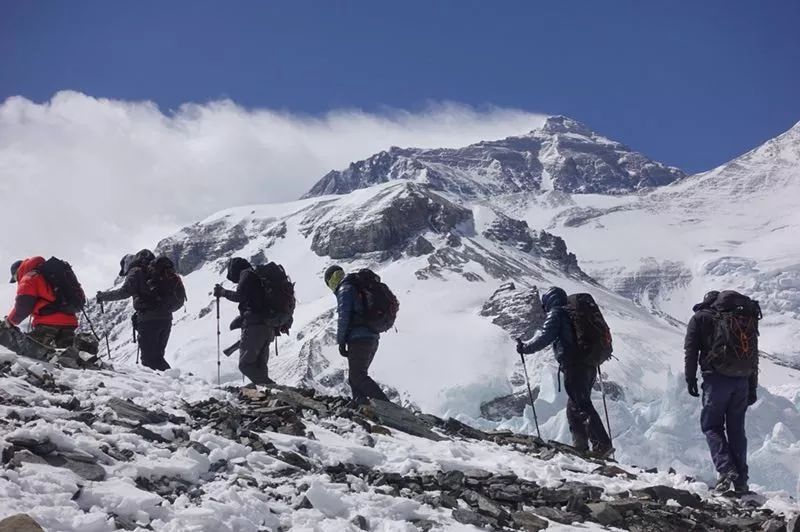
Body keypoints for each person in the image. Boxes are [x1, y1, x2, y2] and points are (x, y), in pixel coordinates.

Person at [517, 286, 613, 458]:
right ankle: (580, 445)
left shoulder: (557, 313)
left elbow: (546, 336)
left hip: (575, 364)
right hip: (589, 364)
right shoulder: (572, 313)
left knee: (581, 404)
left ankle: (602, 445)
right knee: (574, 406)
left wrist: (525, 348)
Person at [685, 290, 758, 493]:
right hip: (742, 381)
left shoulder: (700, 318)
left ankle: (726, 470)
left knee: (711, 426)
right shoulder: (741, 319)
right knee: (737, 430)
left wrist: (690, 378)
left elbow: (691, 350)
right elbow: (753, 355)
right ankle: (741, 481)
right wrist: (752, 386)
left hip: (717, 380)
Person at [324, 265, 390, 406]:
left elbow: (344, 318)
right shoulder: (355, 285)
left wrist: (341, 342)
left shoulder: (345, 288)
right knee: (354, 377)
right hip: (371, 337)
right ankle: (361, 406)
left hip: (359, 339)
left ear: (331, 280)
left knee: (358, 376)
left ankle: (391, 409)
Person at [97, 249, 172, 371]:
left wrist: (103, 296)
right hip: (166, 317)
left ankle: (162, 386)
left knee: (148, 359)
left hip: (148, 319)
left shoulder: (135, 271)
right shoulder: (156, 270)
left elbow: (125, 292)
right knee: (158, 357)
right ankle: (174, 382)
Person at [214, 257, 281, 386]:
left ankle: (272, 388)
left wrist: (223, 292)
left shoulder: (246, 274)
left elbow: (240, 296)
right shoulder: (257, 277)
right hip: (267, 326)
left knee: (246, 365)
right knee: (260, 365)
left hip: (254, 327)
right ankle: (270, 393)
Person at [5, 257, 79, 348]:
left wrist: (10, 320)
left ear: (17, 272)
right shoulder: (48, 274)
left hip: (48, 323)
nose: (17, 281)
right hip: (70, 323)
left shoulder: (29, 278)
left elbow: (23, 305)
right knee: (66, 356)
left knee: (29, 352)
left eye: (15, 278)